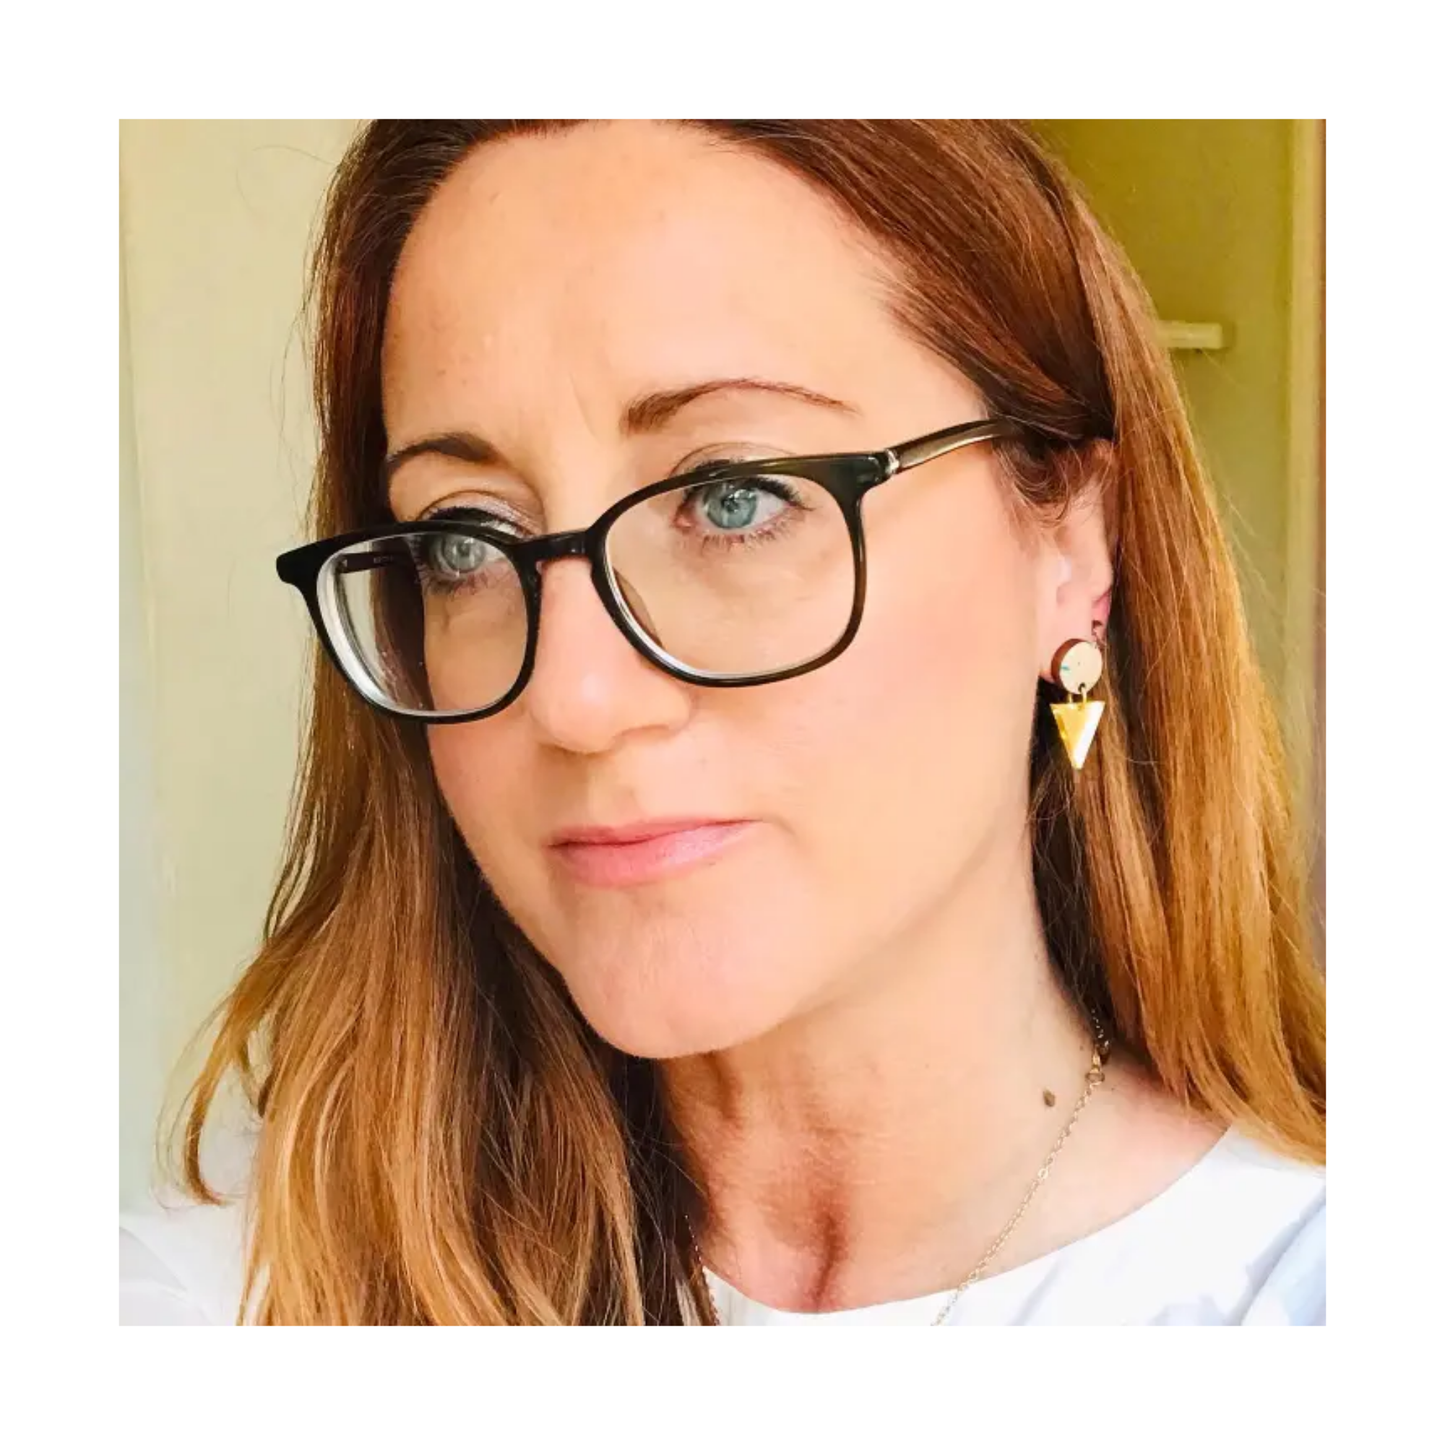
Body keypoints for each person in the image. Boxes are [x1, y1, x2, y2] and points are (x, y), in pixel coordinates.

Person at [120, 119, 1325, 1326]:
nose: (575, 700)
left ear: (1067, 541)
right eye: (462, 540)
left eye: (731, 496)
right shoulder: (222, 1307)